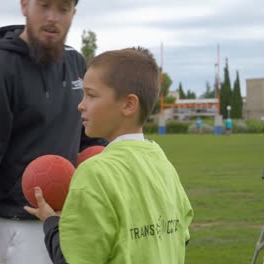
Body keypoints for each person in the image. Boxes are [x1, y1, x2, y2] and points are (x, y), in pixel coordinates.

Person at [0, 0, 106, 263]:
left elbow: (88, 136)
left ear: (73, 13)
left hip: (67, 220)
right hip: (14, 226)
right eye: (44, 6)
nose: (52, 18)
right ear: (25, 6)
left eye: (62, 9)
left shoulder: (75, 62)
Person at [25, 47, 194, 263]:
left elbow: (71, 259)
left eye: (91, 95)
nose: (80, 105)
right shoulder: (163, 163)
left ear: (128, 104)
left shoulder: (93, 173)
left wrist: (50, 221)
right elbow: (182, 237)